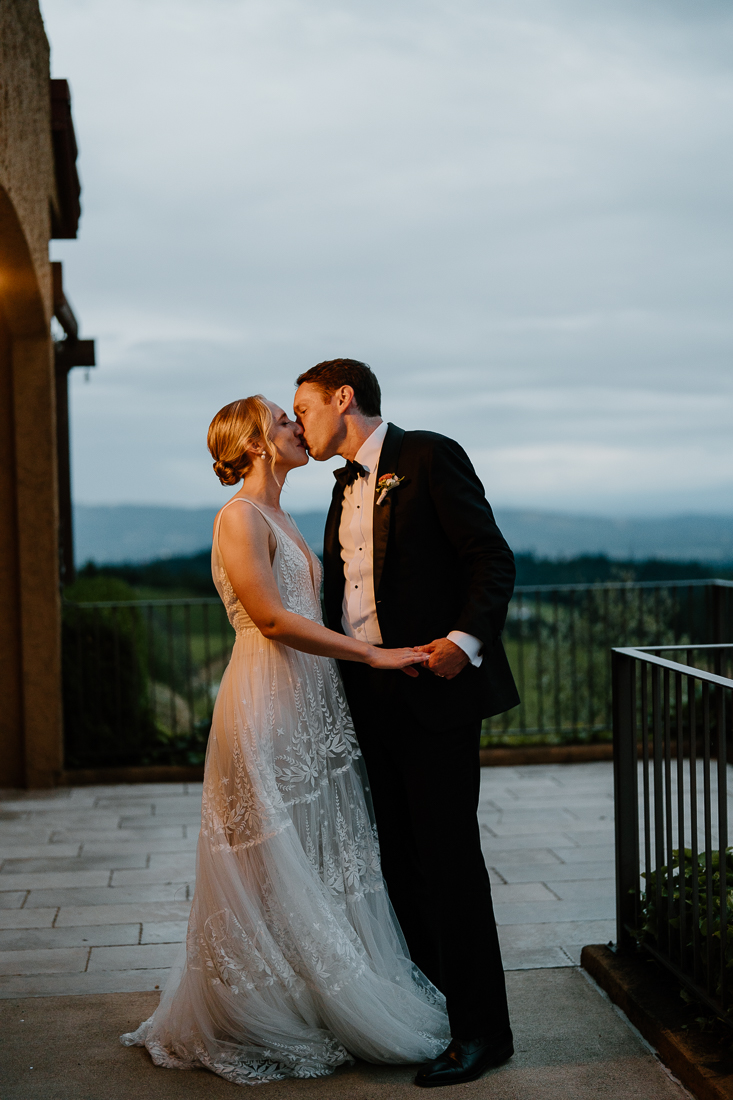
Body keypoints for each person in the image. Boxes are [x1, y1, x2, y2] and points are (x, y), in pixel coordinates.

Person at [121, 395, 450, 1085]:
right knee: (269, 858)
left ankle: (309, 992)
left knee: (315, 852)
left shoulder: (284, 515)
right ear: (254, 444)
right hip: (265, 700)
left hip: (312, 700)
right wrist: (376, 656)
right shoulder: (238, 517)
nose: (297, 429)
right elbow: (271, 619)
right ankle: (257, 1006)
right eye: (282, 421)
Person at [294, 358, 520, 1089]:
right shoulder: (338, 489)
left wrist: (464, 642)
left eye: (305, 407)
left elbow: (489, 557)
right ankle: (434, 1015)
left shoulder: (427, 454)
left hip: (435, 689)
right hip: (369, 697)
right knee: (398, 865)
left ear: (343, 397)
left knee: (449, 865)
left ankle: (484, 1033)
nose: (300, 423)